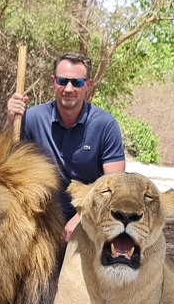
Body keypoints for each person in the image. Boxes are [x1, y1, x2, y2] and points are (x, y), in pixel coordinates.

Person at [7, 52, 126, 242]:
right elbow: (8, 166)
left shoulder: (105, 125)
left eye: (77, 82)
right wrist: (11, 120)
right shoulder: (31, 118)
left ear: (88, 84)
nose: (68, 88)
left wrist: (81, 218)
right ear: (53, 81)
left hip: (89, 215)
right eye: (63, 81)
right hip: (42, 215)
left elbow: (115, 184)